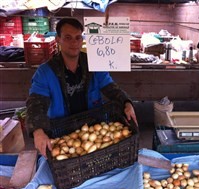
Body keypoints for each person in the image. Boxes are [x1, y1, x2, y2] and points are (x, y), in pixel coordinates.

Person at [25, 18, 138, 158]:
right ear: (58, 39)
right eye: (68, 37)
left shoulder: (94, 63)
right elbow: (36, 103)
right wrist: (38, 130)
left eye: (78, 37)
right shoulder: (45, 72)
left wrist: (126, 102)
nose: (74, 42)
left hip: (91, 127)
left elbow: (111, 88)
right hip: (62, 130)